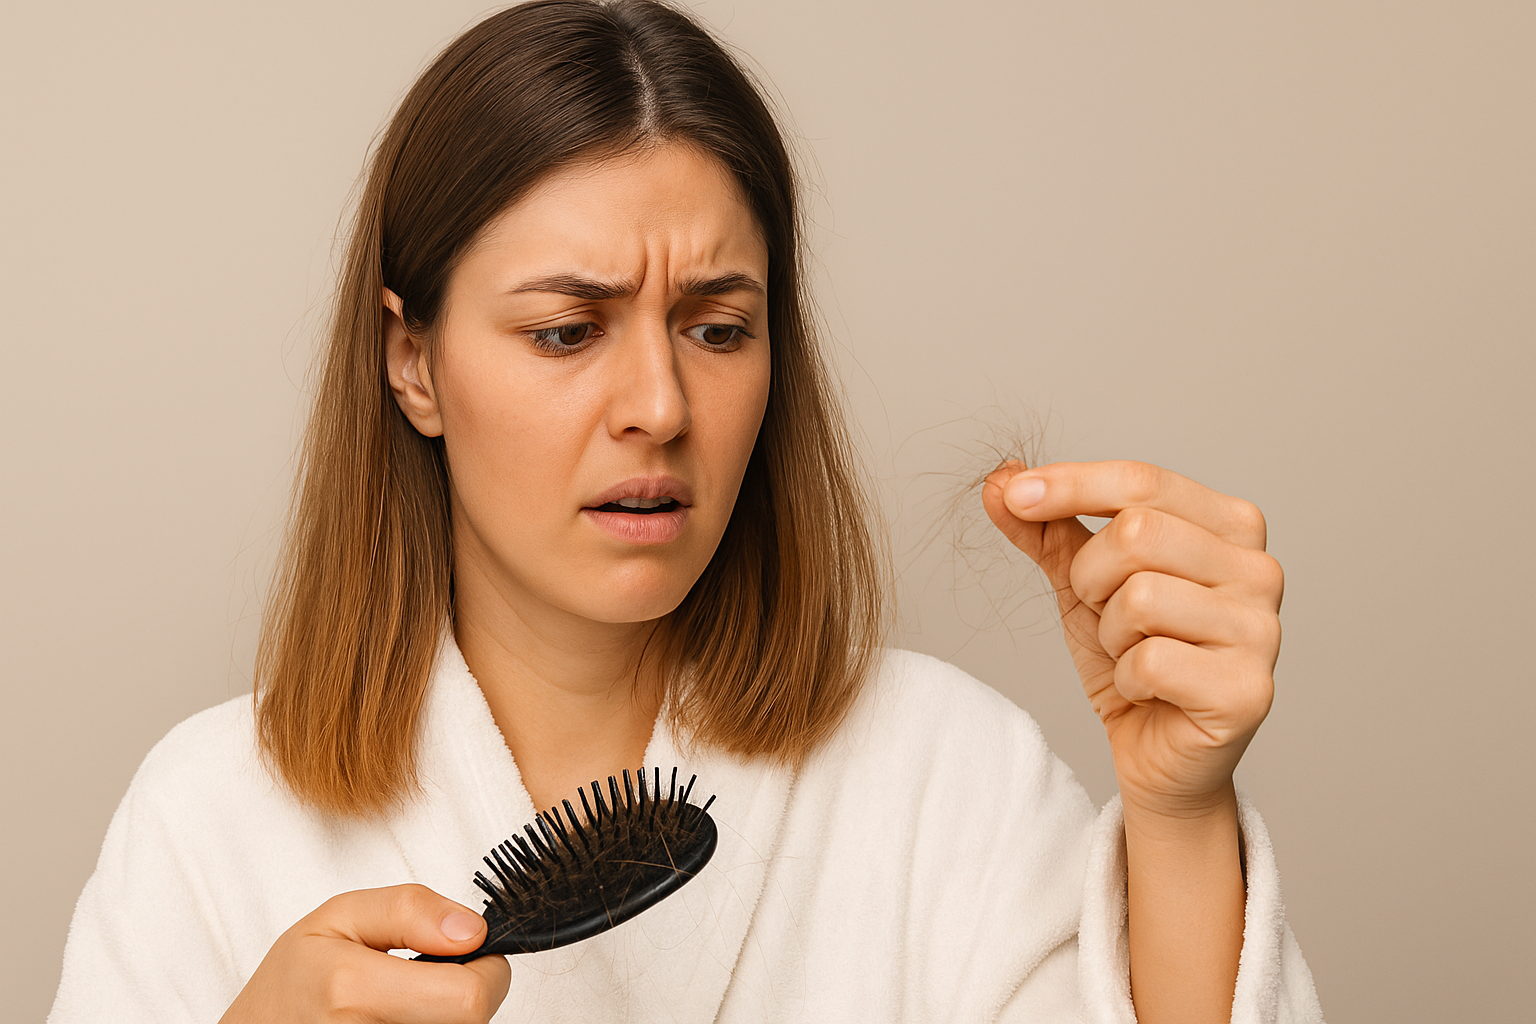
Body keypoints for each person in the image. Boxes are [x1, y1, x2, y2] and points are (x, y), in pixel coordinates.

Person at [48, 1, 1322, 1021]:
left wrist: (1178, 814)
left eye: (718, 329)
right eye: (566, 331)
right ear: (413, 363)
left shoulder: (949, 778)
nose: (659, 406)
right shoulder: (206, 823)